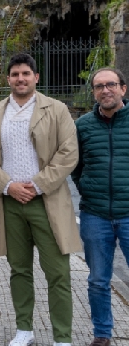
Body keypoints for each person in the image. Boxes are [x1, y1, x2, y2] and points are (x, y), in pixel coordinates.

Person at [0, 53, 80, 346]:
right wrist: (8, 185)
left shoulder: (57, 110)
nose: (20, 78)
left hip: (47, 202)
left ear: (36, 77)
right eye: (15, 74)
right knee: (19, 269)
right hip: (9, 203)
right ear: (7, 79)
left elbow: (68, 153)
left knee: (57, 272)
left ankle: (62, 337)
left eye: (26, 73)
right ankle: (24, 329)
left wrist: (36, 185)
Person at [72, 67, 129, 346]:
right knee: (97, 280)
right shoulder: (82, 125)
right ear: (93, 92)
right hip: (95, 215)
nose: (105, 90)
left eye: (111, 85)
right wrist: (88, 190)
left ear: (123, 88)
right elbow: (75, 167)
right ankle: (103, 334)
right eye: (99, 86)